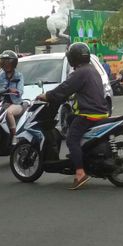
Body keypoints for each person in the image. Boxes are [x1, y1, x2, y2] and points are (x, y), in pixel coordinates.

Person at [36, 43, 109, 190]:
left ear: (72, 58)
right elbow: (74, 91)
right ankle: (81, 157)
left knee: (71, 140)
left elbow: (65, 88)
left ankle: (80, 173)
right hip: (100, 112)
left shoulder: (79, 73)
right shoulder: (92, 70)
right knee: (69, 119)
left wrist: (47, 96)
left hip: (88, 114)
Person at [0, 50, 24, 142]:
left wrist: (15, 91)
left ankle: (14, 136)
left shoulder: (19, 76)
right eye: (4, 62)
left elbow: (20, 91)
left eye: (9, 62)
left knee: (9, 113)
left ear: (14, 63)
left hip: (15, 103)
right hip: (1, 104)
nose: (6, 65)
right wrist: (5, 90)